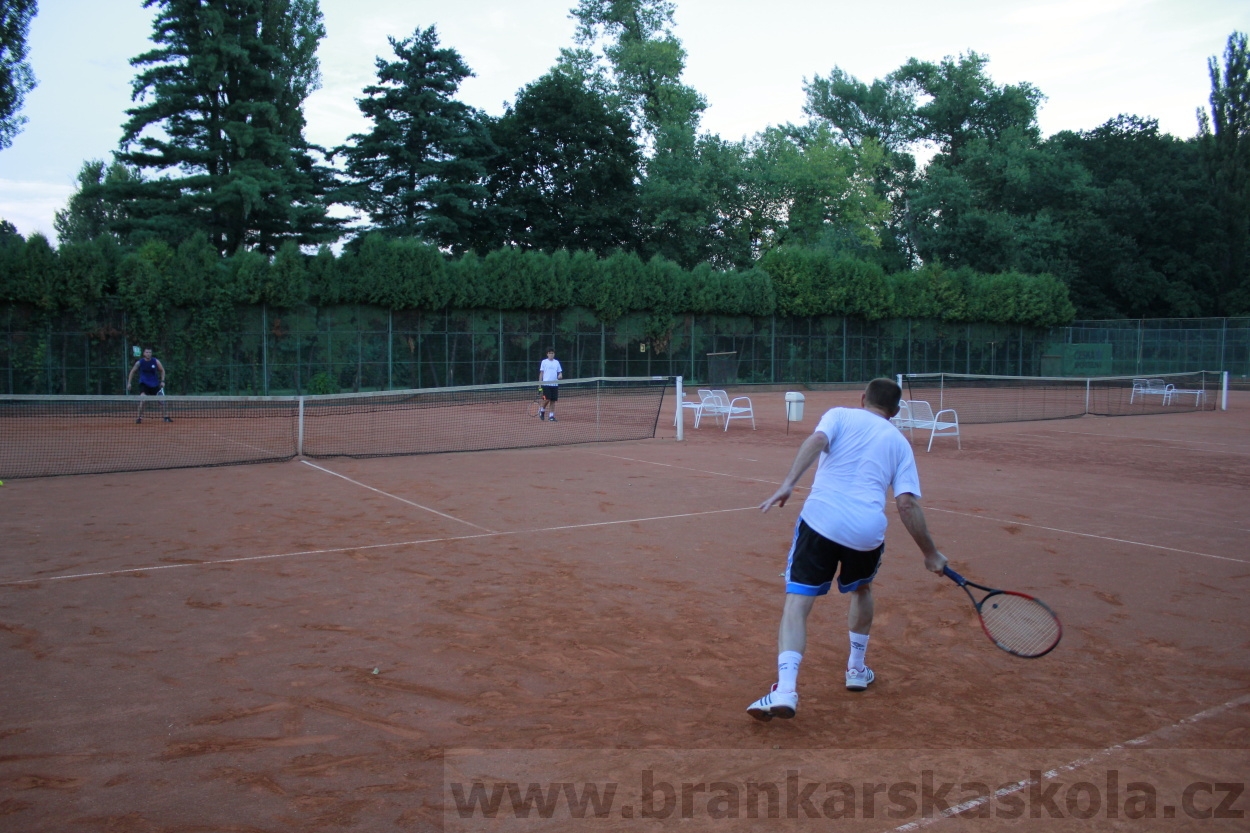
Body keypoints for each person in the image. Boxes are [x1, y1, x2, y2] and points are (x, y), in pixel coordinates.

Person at [746, 377, 946, 721]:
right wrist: (930, 553)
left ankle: (786, 691)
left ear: (862, 398)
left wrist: (788, 484)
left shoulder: (838, 415)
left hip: (821, 520)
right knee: (862, 588)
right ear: (895, 411)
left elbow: (817, 440)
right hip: (866, 531)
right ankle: (856, 669)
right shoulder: (899, 443)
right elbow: (906, 505)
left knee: (797, 604)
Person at [126, 347, 171, 424]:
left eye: (150, 352)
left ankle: (166, 417)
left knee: (161, 400)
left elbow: (162, 370)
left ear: (151, 353)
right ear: (144, 353)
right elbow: (132, 372)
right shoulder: (139, 362)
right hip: (144, 384)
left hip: (154, 384)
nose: (148, 354)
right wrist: (129, 383)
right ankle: (139, 418)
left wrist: (162, 381)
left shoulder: (156, 361)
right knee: (143, 400)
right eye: (147, 352)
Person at [537, 347, 563, 422]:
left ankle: (551, 416)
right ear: (547, 354)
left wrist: (560, 375)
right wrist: (539, 384)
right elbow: (541, 373)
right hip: (546, 384)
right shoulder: (544, 362)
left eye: (552, 353)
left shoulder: (557, 362)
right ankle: (542, 410)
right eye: (549, 353)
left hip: (555, 384)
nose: (551, 354)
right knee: (546, 399)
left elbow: (560, 372)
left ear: (554, 354)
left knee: (553, 400)